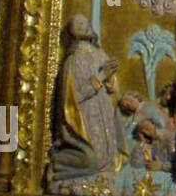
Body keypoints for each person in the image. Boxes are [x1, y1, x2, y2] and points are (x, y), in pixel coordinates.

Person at [51, 14, 128, 185]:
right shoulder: (73, 59)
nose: (83, 25)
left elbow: (112, 86)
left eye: (84, 22)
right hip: (85, 120)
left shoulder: (100, 53)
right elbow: (74, 95)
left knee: (110, 158)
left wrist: (111, 80)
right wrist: (101, 77)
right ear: (73, 32)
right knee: (93, 160)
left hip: (103, 116)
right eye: (78, 24)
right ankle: (57, 165)